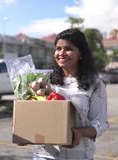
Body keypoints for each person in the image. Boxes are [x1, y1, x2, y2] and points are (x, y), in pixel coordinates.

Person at [32, 28, 108, 160]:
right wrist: (25, 130)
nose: (61, 53)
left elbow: (101, 124)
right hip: (44, 155)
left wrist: (80, 132)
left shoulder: (95, 84)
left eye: (68, 48)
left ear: (81, 54)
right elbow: (33, 115)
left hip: (78, 155)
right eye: (58, 48)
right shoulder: (44, 80)